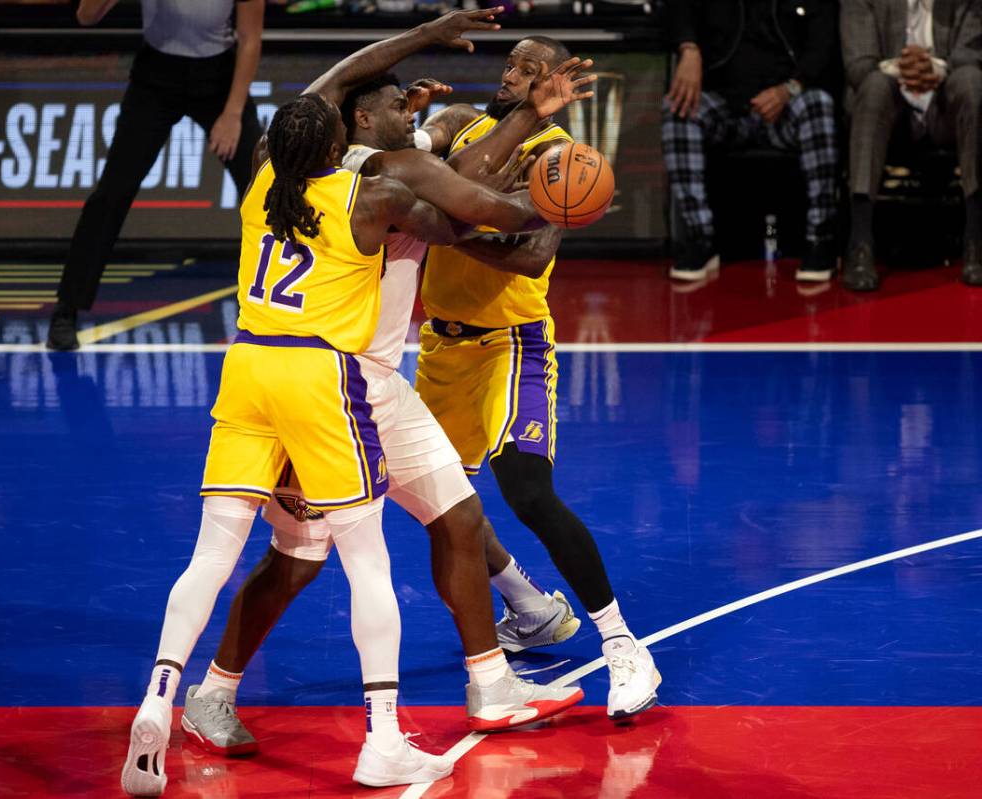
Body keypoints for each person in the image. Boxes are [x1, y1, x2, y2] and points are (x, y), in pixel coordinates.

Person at [177, 41, 598, 769]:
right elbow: (467, 194)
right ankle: (212, 692)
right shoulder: (379, 182)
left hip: (371, 385)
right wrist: (547, 186)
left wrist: (521, 110)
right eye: (401, 107)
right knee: (298, 557)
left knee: (459, 516)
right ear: (362, 122)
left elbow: (439, 152)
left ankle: (491, 683)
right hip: (326, 386)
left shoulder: (314, 162)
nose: (417, 115)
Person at [120, 92, 468, 796]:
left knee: (209, 558)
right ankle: (382, 739)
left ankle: (158, 695)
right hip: (319, 376)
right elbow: (463, 220)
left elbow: (324, 97)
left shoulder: (259, 187)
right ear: (339, 147)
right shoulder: (364, 197)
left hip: (246, 368)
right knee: (367, 562)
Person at [414, 35, 662, 719]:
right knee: (436, 502)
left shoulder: (561, 159)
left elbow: (529, 257)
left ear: (553, 83)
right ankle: (530, 606)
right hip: (441, 345)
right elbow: (438, 162)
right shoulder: (461, 120)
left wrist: (444, 225)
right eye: (512, 63)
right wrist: (447, 194)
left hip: (511, 342)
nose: (512, 73)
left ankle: (623, 645)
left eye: (530, 68)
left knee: (527, 489)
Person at [46, 0, 265, 351]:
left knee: (264, 189)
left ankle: (279, 307)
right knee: (111, 193)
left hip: (220, 78)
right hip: (156, 78)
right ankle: (66, 309)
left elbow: (251, 39)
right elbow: (85, 17)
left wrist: (233, 114)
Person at [662, 0, 840, 282]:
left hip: (786, 108)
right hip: (726, 106)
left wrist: (789, 89)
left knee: (818, 105)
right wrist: (688, 48)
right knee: (678, 108)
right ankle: (699, 238)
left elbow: (824, 48)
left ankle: (820, 238)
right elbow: (677, 9)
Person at [840, 0, 982, 290]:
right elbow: (858, 64)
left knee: (972, 82)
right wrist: (904, 67)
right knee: (873, 86)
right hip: (892, 110)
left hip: (944, 107)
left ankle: (976, 239)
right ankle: (860, 243)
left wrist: (936, 69)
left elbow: (971, 54)